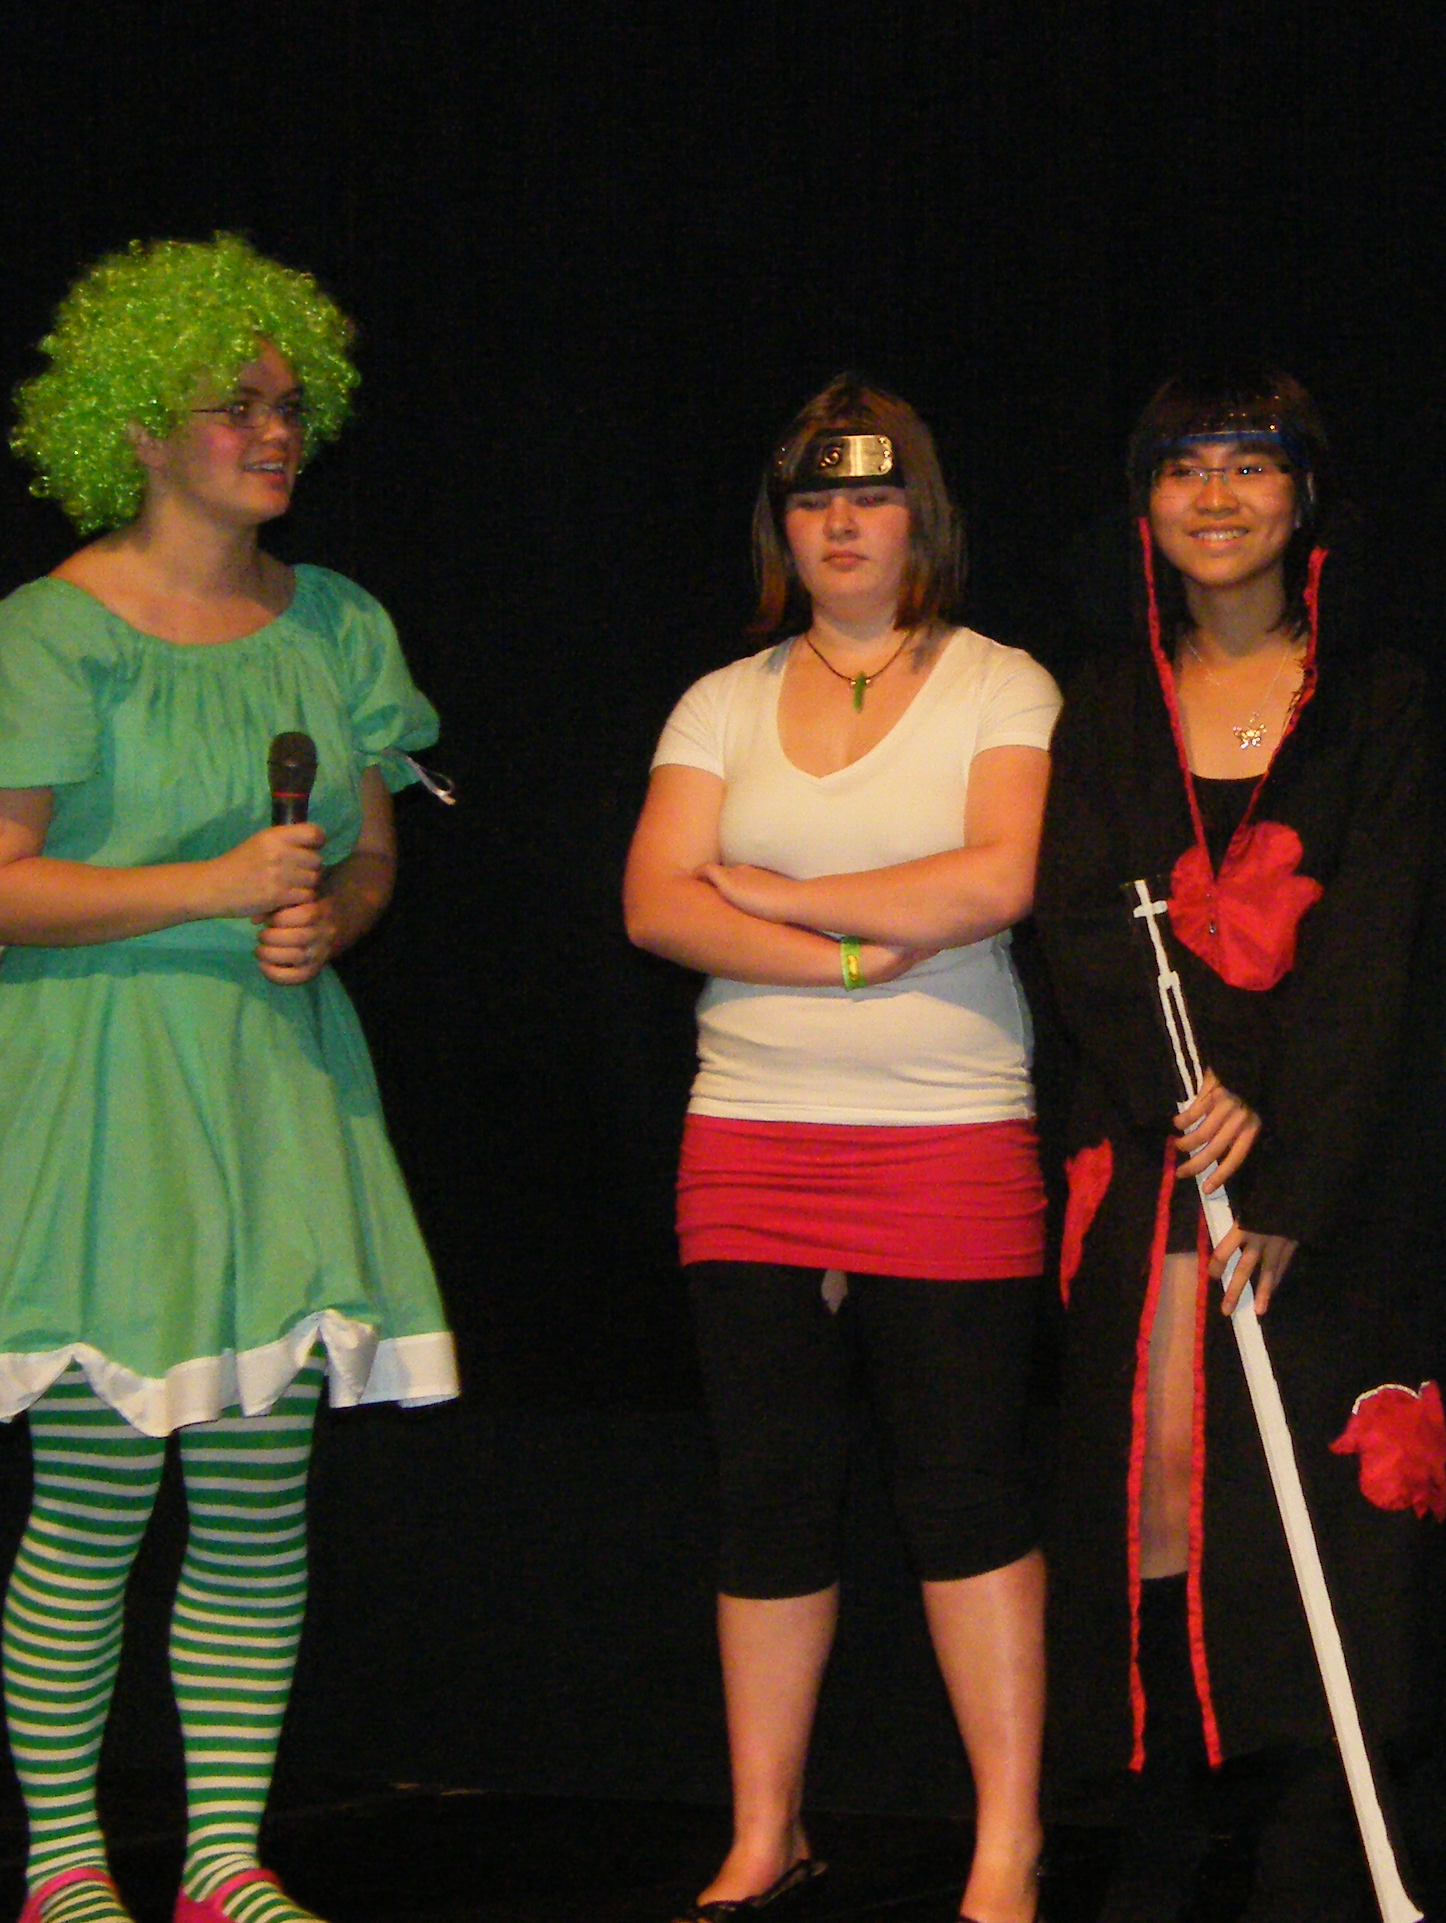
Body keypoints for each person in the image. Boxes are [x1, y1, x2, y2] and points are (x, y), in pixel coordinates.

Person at [0, 234, 456, 1923]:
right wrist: (213, 885)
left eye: (290, 403)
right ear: (138, 428)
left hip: (268, 1086)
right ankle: (64, 1867)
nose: (274, 429)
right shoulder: (44, 636)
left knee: (256, 1499)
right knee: (94, 1502)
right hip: (98, 1088)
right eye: (234, 403)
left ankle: (225, 1862)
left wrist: (328, 916)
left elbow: (369, 857)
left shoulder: (335, 624)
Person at [623, 374, 1057, 1923]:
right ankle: (767, 1834)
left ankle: (1007, 1844)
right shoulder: (719, 702)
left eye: (872, 496)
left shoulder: (1004, 685)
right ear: (783, 526)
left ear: (919, 515)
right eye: (815, 499)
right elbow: (657, 905)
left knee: (966, 1492)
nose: (844, 524)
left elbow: (996, 881)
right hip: (750, 1140)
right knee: (771, 1492)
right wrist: (862, 954)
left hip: (949, 1135)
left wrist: (775, 897)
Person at [1031, 367, 1444, 1923]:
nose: (1216, 495)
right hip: (1149, 1146)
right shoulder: (1102, 703)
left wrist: (1283, 1162)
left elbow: (1379, 947)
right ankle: (1157, 1832)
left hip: (1325, 1163)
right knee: (1157, 1474)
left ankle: (1316, 1849)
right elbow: (1083, 925)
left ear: (1306, 495)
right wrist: (1184, 1092)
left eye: (1251, 464)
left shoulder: (1381, 699)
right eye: (1183, 466)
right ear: (1143, 504)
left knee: (1314, 1501)